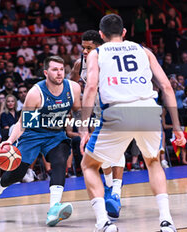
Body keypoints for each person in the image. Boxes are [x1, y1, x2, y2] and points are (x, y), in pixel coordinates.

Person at [79, 14, 185, 232]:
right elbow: (166, 86)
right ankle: (166, 221)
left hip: (118, 110)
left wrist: (82, 128)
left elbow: (90, 88)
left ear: (101, 35)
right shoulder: (143, 51)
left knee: (88, 165)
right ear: (124, 32)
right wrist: (177, 128)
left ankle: (103, 223)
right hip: (147, 109)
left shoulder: (97, 53)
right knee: (153, 162)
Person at [0, 56, 81, 227]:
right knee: (18, 173)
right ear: (46, 73)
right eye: (55, 69)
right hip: (33, 134)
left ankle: (53, 209)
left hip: (55, 135)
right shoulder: (36, 93)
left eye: (62, 69)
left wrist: (84, 131)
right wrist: (10, 141)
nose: (59, 73)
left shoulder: (73, 88)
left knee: (60, 161)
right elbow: (22, 123)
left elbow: (78, 111)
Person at [71, 29, 125, 218]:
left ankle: (115, 192)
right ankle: (112, 191)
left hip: (115, 108)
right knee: (102, 153)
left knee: (116, 150)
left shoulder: (110, 60)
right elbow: (72, 87)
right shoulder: (79, 64)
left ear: (98, 46)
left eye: (89, 47)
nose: (85, 51)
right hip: (94, 111)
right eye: (83, 47)